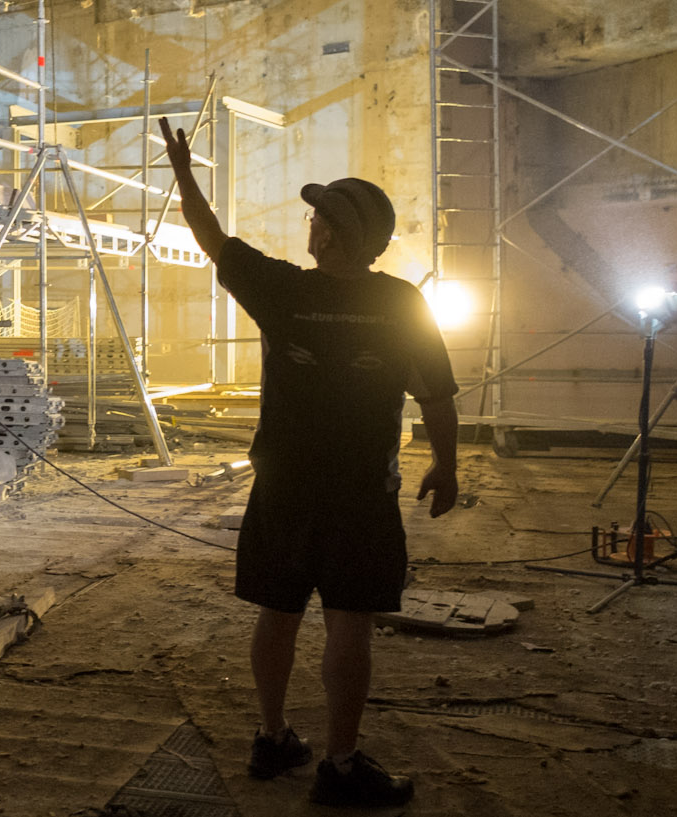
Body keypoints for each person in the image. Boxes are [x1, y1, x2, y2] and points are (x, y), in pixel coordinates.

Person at [159, 117, 461, 809]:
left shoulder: (286, 292)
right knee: (349, 621)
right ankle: (341, 763)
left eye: (319, 216)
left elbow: (213, 240)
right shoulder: (401, 303)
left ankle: (272, 736)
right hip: (359, 492)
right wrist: (447, 466)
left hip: (284, 487)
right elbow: (439, 396)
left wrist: (183, 174)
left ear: (336, 234)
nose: (311, 224)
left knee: (279, 611)